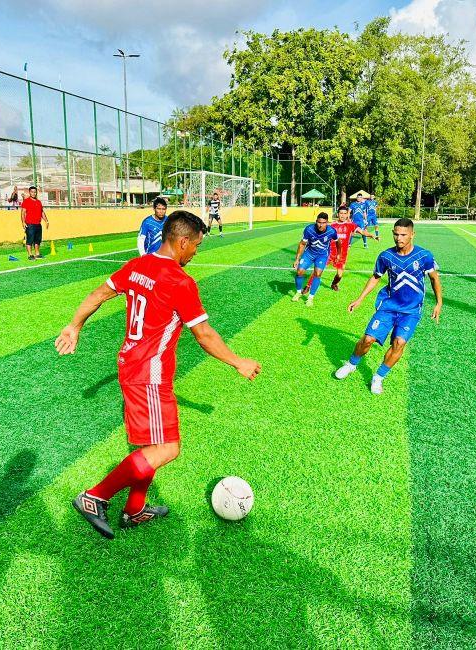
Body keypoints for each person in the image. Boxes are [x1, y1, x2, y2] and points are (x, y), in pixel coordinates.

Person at [55, 210, 261, 539]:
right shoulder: (180, 281)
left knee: (153, 445)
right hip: (148, 373)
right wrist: (238, 361)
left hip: (132, 365)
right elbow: (204, 334)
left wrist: (74, 326)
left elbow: (98, 295)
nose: (196, 251)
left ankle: (135, 509)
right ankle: (95, 497)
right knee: (167, 448)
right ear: (182, 242)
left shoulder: (137, 266)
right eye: (195, 245)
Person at [335, 218, 442, 394]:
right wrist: (360, 298)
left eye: (403, 235)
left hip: (411, 311)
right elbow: (376, 277)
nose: (399, 238)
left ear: (412, 234)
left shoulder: (424, 256)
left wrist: (439, 303)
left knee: (399, 343)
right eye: (396, 234)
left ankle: (378, 377)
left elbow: (434, 279)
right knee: (368, 339)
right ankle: (351, 364)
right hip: (388, 307)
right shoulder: (386, 256)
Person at [291, 212, 338, 307]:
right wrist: (297, 259)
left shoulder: (332, 231)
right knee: (299, 271)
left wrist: (339, 254)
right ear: (316, 221)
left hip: (322, 255)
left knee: (318, 274)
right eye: (319, 222)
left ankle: (310, 298)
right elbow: (302, 244)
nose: (321, 225)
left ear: (327, 222)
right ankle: (298, 292)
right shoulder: (309, 229)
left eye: (324, 223)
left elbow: (338, 242)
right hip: (309, 254)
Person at [327, 205, 375, 291]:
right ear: (338, 214)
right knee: (319, 269)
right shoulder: (332, 225)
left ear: (347, 215)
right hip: (330, 252)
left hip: (342, 254)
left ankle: (334, 284)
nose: (343, 215)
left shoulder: (351, 225)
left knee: (340, 274)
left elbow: (362, 231)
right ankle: (308, 286)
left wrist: (371, 235)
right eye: (341, 213)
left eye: (345, 213)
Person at [21, 185, 49, 260]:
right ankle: (30, 255)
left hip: (38, 224)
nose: (33, 193)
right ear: (29, 192)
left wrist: (46, 220)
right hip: (30, 224)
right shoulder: (26, 201)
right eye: (32, 192)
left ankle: (37, 254)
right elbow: (23, 213)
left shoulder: (39, 202)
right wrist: (23, 222)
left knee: (37, 240)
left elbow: (42, 212)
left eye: (35, 192)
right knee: (30, 240)